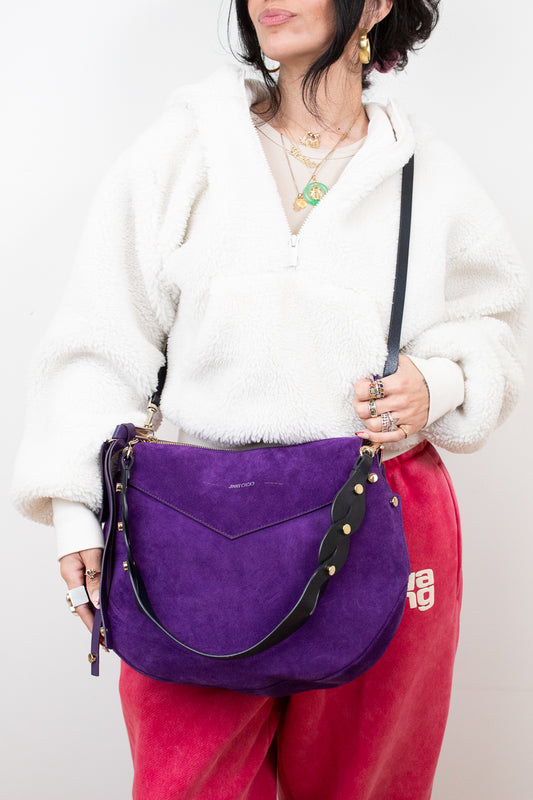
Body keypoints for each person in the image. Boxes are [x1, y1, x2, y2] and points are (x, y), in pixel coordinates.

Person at [12, 1, 526, 798]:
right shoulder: (186, 150)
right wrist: (76, 510)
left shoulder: (430, 174)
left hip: (382, 513)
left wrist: (443, 381)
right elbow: (98, 335)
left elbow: (492, 325)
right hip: (193, 529)